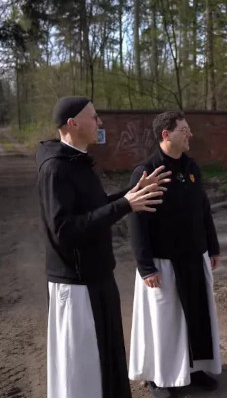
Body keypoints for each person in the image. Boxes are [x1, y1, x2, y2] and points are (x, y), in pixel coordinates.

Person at [37, 96, 171, 398]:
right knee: (83, 367)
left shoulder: (79, 162)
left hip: (98, 277)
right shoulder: (55, 170)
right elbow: (64, 231)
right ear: (73, 124)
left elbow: (94, 210)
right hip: (76, 285)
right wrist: (125, 204)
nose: (100, 123)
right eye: (94, 117)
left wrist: (133, 193)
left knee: (107, 358)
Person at [127, 111, 221, 398]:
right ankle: (160, 378)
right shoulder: (148, 170)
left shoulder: (191, 167)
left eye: (188, 128)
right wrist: (145, 267)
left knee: (196, 317)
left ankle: (192, 370)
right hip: (162, 263)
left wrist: (213, 246)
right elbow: (136, 222)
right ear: (166, 135)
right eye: (184, 129)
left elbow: (203, 210)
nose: (189, 134)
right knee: (165, 323)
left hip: (194, 257)